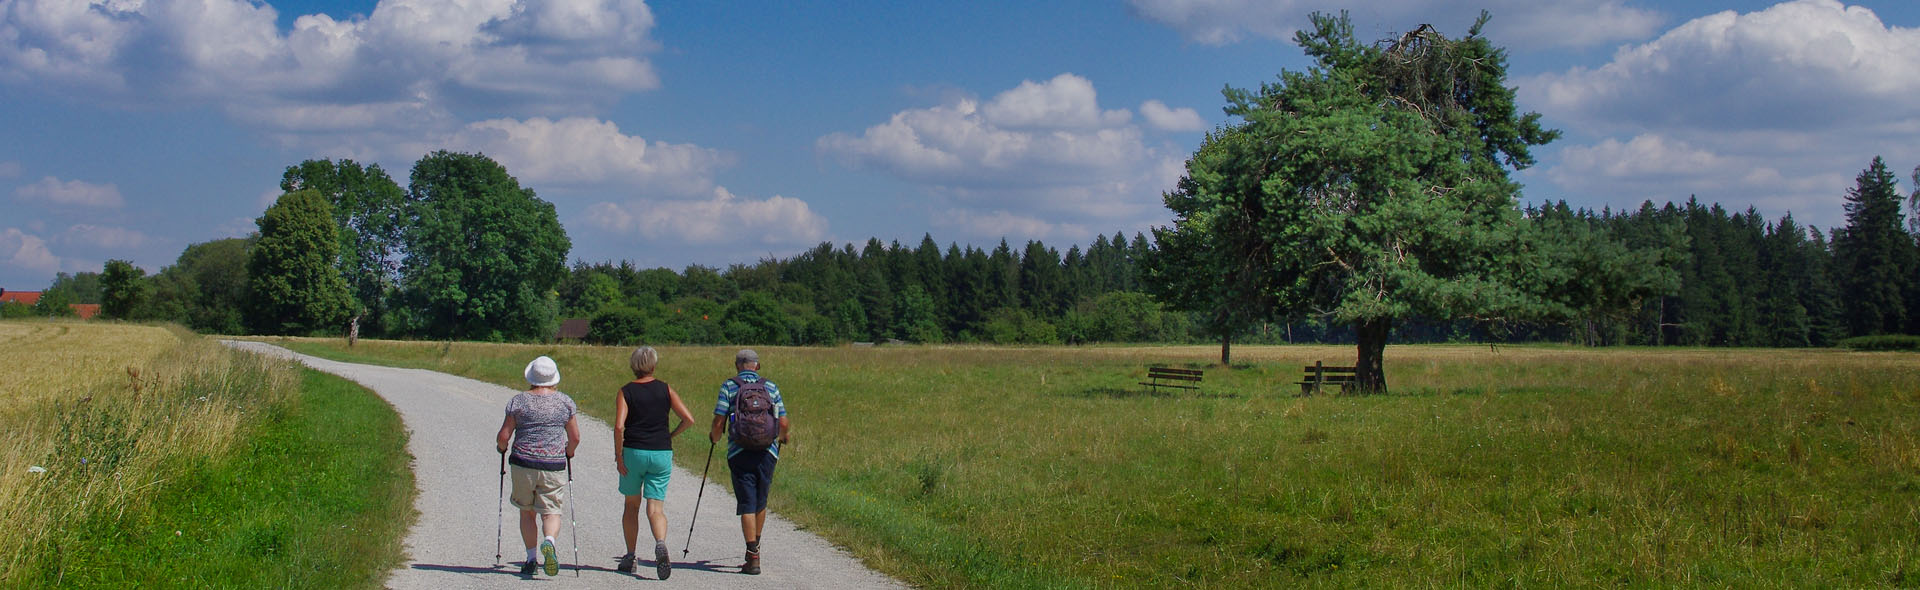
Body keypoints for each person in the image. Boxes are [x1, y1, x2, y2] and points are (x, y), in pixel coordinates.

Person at [613, 346, 696, 579]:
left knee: (631, 505)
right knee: (655, 507)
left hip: (633, 452)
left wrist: (619, 456)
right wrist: (670, 435)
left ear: (633, 365)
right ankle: (660, 542)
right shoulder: (666, 389)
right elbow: (688, 419)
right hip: (661, 452)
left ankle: (630, 556)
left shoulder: (626, 391)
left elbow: (619, 426)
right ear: (654, 365)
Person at [495, 356, 580, 577]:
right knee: (551, 511)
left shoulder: (518, 401)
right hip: (553, 464)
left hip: (523, 462)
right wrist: (568, 451)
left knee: (527, 512)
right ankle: (549, 541)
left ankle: (531, 558)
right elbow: (575, 437)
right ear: (554, 378)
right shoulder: (565, 402)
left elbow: (504, 435)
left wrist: (501, 448)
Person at [709, 348, 790, 575]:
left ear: (737, 365)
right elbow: (783, 422)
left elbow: (719, 420)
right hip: (767, 452)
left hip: (739, 451)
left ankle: (752, 554)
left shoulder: (729, 386)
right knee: (760, 501)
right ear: (757, 365)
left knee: (746, 502)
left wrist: (715, 438)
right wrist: (783, 438)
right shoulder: (770, 387)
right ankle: (756, 547)